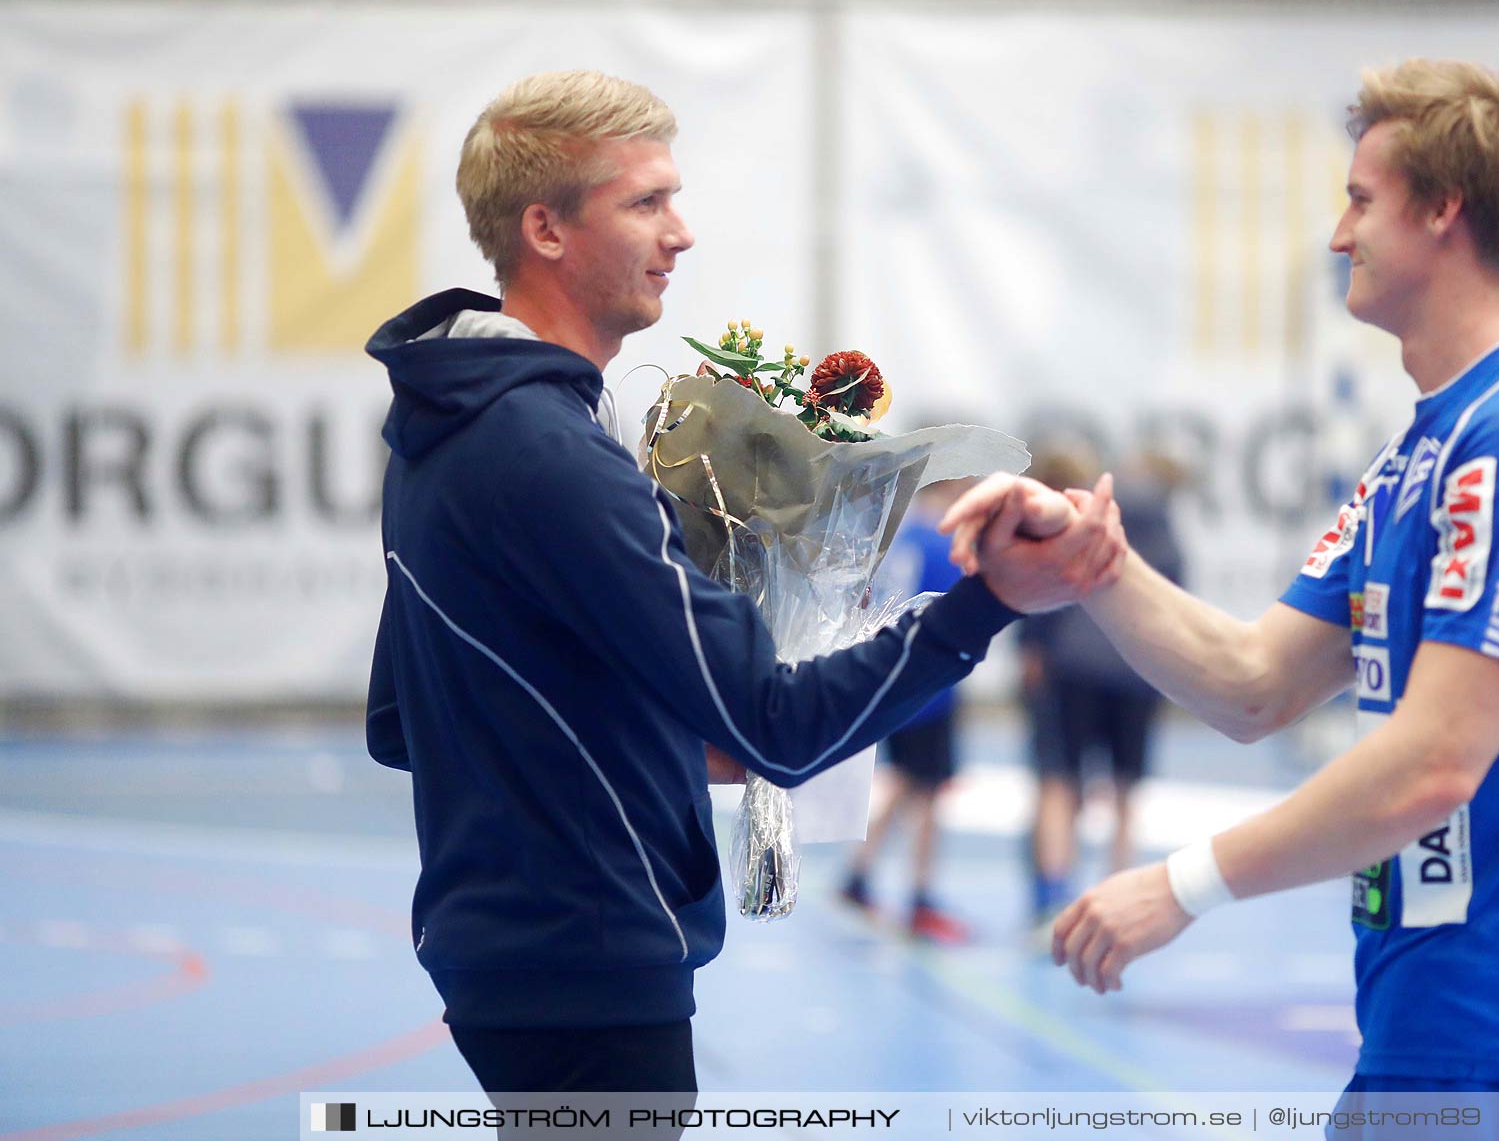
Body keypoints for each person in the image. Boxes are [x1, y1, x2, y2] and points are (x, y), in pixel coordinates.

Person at [361, 69, 1124, 1098]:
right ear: (544, 228)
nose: (681, 233)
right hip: (586, 955)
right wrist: (991, 600)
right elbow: (775, 721)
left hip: (510, 948)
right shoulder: (547, 453)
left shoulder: (447, 421)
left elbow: (402, 720)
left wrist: (646, 735)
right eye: (647, 203)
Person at [943, 60, 1499, 1139]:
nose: (1338, 237)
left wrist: (1181, 886)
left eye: (1360, 200)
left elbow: (1434, 764)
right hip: (1429, 1022)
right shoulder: (1435, 444)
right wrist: (1092, 562)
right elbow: (1253, 683)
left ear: (1443, 212)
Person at [1017, 446, 1187, 923]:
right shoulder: (1167, 539)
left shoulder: (1089, 518)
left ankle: (1053, 895)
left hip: (1072, 666)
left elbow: (1045, 586)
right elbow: (1178, 611)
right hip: (1136, 669)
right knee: (1125, 789)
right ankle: (1116, 897)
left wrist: (1034, 652)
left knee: (1059, 780)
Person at [840, 479, 976, 943]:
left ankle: (860, 875)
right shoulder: (946, 542)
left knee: (908, 781)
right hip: (930, 684)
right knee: (929, 789)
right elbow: (964, 612)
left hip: (894, 673)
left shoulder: (904, 536)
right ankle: (920, 895)